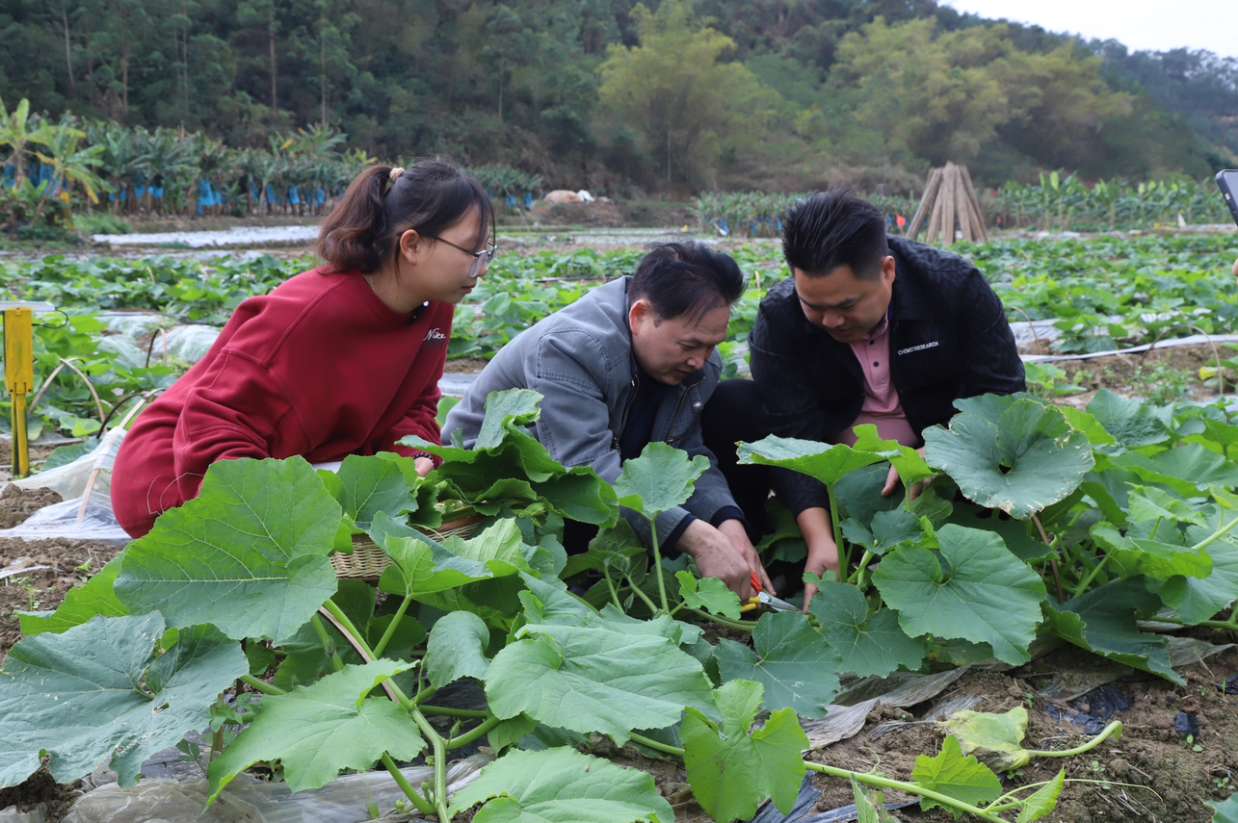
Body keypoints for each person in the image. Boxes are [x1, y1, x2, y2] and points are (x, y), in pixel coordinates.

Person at [112, 161, 496, 538]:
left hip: (297, 466)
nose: (481, 269)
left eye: (486, 253)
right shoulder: (308, 312)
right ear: (412, 245)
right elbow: (210, 423)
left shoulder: (434, 306)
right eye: (471, 252)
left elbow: (416, 406)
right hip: (172, 480)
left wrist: (415, 459)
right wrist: (265, 522)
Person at [703, 190, 1025, 606]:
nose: (831, 321)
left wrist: (947, 447)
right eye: (814, 307)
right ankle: (778, 547)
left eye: (847, 305)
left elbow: (1001, 389)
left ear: (887, 271)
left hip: (940, 460)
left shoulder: (954, 288)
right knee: (733, 404)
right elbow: (790, 432)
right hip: (839, 467)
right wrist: (821, 540)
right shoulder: (779, 316)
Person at [443, 242, 772, 599]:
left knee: (741, 402)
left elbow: (686, 456)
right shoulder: (569, 347)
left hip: (588, 475)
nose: (701, 360)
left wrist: (727, 521)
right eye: (689, 345)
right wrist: (697, 537)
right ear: (640, 315)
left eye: (712, 345)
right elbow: (584, 470)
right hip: (498, 490)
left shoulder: (697, 365)